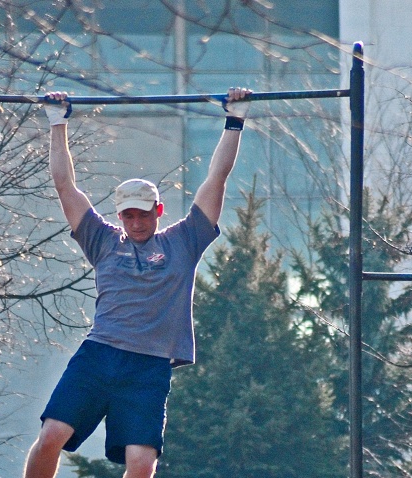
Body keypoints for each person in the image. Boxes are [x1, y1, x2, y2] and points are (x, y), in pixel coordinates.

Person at [23, 87, 252, 478]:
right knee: (50, 437)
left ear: (158, 211)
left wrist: (234, 120)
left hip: (148, 368)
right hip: (99, 356)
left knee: (142, 465)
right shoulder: (103, 240)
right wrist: (57, 122)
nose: (136, 222)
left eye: (143, 214)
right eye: (128, 216)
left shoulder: (183, 241)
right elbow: (65, 185)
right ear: (120, 215)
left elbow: (217, 179)